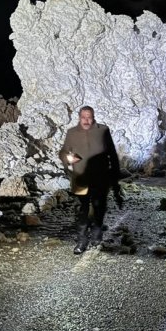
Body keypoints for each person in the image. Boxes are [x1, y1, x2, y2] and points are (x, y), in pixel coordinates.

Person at [59, 106, 123, 254]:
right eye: (83, 117)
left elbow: (112, 154)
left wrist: (115, 178)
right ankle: (81, 241)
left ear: (93, 117)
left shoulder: (103, 130)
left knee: (99, 207)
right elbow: (63, 151)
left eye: (89, 117)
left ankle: (96, 234)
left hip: (101, 178)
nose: (86, 120)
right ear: (79, 117)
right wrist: (67, 159)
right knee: (83, 209)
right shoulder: (72, 133)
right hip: (81, 178)